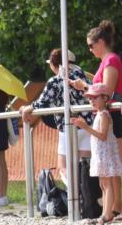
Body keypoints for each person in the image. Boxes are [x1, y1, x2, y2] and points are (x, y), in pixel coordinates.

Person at [69, 21, 122, 219]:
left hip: (112, 117)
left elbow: (106, 92)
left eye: (91, 45)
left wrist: (85, 87)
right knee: (114, 167)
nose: (90, 49)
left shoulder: (111, 60)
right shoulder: (107, 61)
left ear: (101, 42)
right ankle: (116, 208)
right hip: (107, 117)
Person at [20, 49, 93, 188]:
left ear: (54, 64)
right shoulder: (83, 77)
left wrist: (27, 108)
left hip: (67, 127)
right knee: (85, 167)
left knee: (64, 168)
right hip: (87, 126)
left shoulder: (55, 80)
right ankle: (87, 199)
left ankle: (75, 194)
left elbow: (41, 103)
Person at [70, 83, 122, 225]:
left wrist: (85, 127)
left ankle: (107, 214)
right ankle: (105, 212)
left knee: (107, 185)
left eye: (95, 98)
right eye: (90, 98)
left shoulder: (104, 115)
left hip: (105, 154)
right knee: (103, 185)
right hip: (101, 154)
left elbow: (103, 135)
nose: (92, 101)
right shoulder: (99, 114)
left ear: (105, 98)